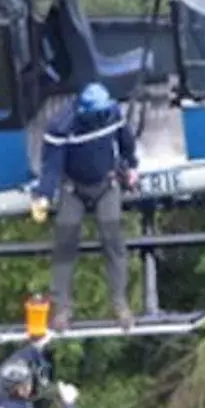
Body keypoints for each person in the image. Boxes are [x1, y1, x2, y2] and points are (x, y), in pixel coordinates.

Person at [32, 82, 139, 331]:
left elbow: (126, 141)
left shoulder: (112, 114)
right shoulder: (61, 126)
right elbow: (51, 166)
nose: (101, 118)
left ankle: (120, 303)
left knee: (112, 238)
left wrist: (131, 166)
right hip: (74, 187)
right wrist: (43, 195)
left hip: (106, 184)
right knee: (65, 241)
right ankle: (62, 309)